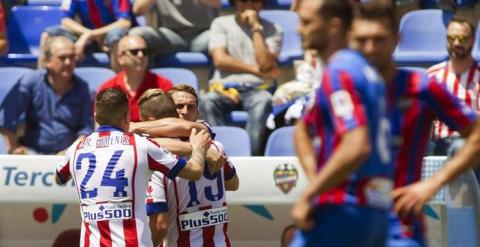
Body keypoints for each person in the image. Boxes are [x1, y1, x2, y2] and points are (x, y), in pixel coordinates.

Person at [348, 2, 477, 246]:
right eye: (362, 40)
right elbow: (305, 131)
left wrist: (431, 184)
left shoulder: (420, 87)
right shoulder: (340, 86)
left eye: (379, 39)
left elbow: (477, 134)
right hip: (347, 223)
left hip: (399, 228)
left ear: (397, 39)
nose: (370, 48)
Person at [290, 0, 392, 246]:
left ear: (334, 26)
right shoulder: (365, 71)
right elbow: (302, 128)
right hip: (374, 212)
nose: (298, 29)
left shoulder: (340, 71)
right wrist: (318, 179)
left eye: (306, 22)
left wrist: (310, 193)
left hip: (343, 208)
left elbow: (357, 144)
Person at [55, 87, 210, 247]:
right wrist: (198, 148)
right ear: (127, 117)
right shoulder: (141, 146)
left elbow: (59, 177)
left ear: (96, 117)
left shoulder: (76, 148)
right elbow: (194, 171)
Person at [138, 88, 239, 246]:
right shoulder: (215, 147)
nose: (184, 112)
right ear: (169, 111)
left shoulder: (158, 159)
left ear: (197, 113)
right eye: (179, 106)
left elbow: (160, 226)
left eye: (190, 107)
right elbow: (233, 184)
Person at [199, 0, 282, 156]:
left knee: (263, 100)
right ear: (235, 3)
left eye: (255, 1)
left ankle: (249, 158)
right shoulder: (220, 23)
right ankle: (220, 156)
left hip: (257, 89)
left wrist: (256, 28)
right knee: (207, 100)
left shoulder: (273, 28)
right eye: (244, 0)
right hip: (224, 88)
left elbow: (264, 63)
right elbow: (220, 60)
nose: (249, 5)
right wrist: (256, 71)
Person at [0, 36, 93, 155]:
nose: (68, 62)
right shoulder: (31, 82)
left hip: (68, 157)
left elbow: (86, 129)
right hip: (31, 155)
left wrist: (71, 152)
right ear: (48, 61)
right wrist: (14, 147)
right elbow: (6, 117)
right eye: (62, 58)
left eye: (71, 57)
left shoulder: (83, 89)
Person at [427, 16, 480, 156]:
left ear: (473, 40)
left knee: (460, 147)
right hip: (439, 142)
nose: (456, 43)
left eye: (463, 39)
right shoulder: (433, 75)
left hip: (471, 143)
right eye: (451, 38)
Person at [98, 34, 173, 122]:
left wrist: (130, 128)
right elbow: (100, 125)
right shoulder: (108, 87)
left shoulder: (163, 85)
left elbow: (170, 123)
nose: (141, 55)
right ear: (120, 57)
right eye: (134, 51)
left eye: (144, 51)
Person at [38, 0, 135, 68]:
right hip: (86, 35)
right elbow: (64, 20)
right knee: (49, 34)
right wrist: (87, 34)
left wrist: (91, 34)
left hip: (109, 36)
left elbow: (124, 22)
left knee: (116, 36)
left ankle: (119, 83)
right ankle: (41, 81)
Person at [131, 0, 220, 55]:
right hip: (171, 37)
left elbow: (216, 2)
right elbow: (138, 10)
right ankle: (151, 82)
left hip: (203, 35)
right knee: (137, 35)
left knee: (225, 36)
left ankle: (220, 82)